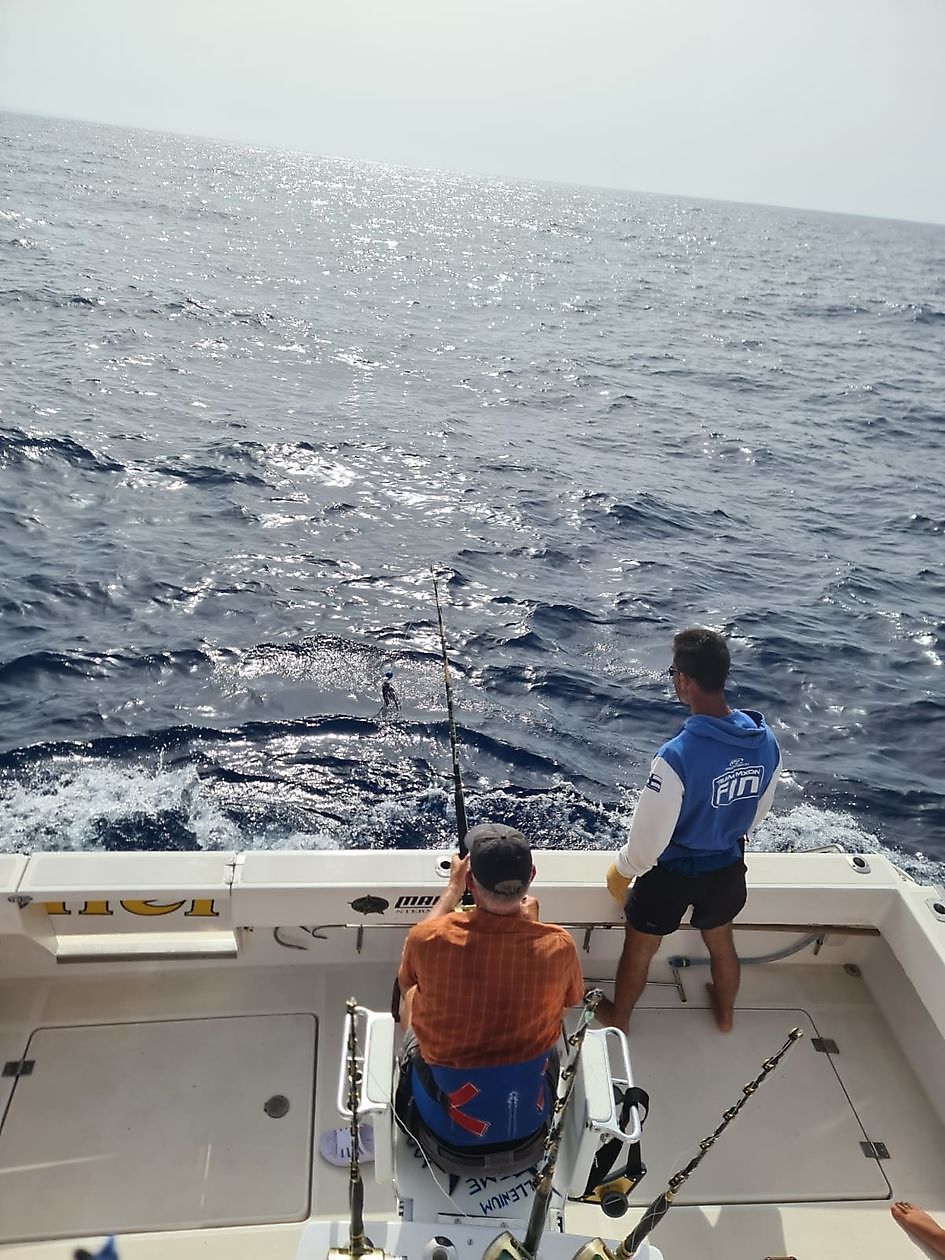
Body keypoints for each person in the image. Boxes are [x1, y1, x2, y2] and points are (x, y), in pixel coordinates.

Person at [598, 628, 781, 1034]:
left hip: (672, 875)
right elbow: (758, 812)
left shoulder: (674, 757)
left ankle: (620, 1017)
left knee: (640, 947)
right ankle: (725, 1015)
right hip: (727, 867)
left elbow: (648, 845)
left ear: (683, 680)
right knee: (721, 941)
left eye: (672, 673)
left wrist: (623, 870)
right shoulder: (765, 740)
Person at [396, 822, 585, 1150]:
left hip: (445, 1135)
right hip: (529, 1131)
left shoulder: (427, 938)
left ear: (471, 881)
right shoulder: (559, 943)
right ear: (531, 876)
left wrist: (452, 891)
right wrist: (530, 924)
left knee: (412, 993)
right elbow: (569, 1001)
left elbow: (407, 979)